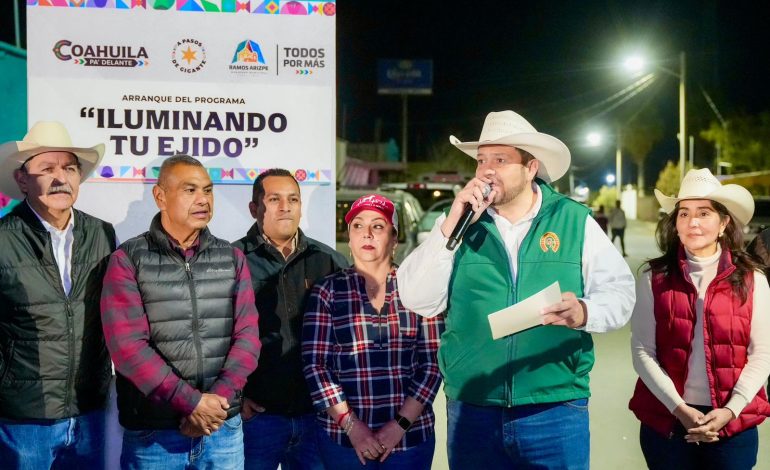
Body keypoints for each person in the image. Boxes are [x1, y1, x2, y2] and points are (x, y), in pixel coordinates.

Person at [397, 110, 635, 469]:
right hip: (474, 408)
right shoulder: (461, 224)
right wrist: (449, 226)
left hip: (554, 407)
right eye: (481, 160)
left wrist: (585, 311)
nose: (486, 170)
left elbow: (620, 293)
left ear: (531, 168)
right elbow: (417, 298)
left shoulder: (572, 220)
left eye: (500, 159)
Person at [100, 154, 261, 469]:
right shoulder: (128, 259)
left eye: (208, 190)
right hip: (155, 435)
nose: (203, 199)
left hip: (222, 430)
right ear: (160, 197)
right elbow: (128, 348)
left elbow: (248, 338)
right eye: (190, 190)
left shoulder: (232, 258)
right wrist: (192, 403)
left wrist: (213, 405)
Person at [629, 168, 770, 469]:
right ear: (675, 223)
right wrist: (679, 409)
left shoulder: (752, 279)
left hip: (733, 426)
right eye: (684, 213)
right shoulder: (653, 277)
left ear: (723, 223)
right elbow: (643, 352)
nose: (692, 222)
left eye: (704, 213)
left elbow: (762, 355)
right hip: (667, 423)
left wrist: (730, 410)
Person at [0, 121, 116, 469]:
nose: (60, 178)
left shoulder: (102, 234)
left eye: (68, 168)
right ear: (22, 180)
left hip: (90, 413)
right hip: (24, 419)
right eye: (46, 169)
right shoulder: (3, 239)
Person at [303, 194, 444, 470]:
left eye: (378, 226)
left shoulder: (417, 287)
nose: (366, 233)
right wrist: (352, 427)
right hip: (344, 442)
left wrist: (399, 425)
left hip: (410, 440)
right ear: (349, 236)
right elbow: (316, 366)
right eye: (358, 225)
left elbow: (432, 364)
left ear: (394, 239)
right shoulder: (328, 291)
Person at [232, 168, 347, 470]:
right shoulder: (231, 260)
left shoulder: (329, 261)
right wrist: (234, 395)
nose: (286, 207)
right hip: (257, 420)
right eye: (275, 199)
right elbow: (213, 333)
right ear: (254, 209)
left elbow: (348, 335)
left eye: (293, 199)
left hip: (317, 418)